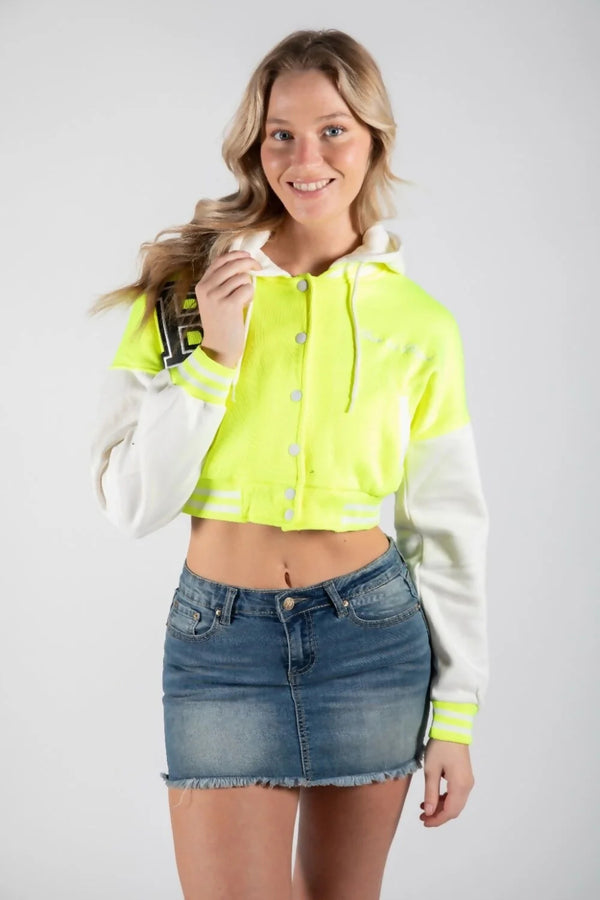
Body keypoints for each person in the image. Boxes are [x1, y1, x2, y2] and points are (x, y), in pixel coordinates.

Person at [89, 28, 489, 900]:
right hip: (220, 646)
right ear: (255, 145)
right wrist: (213, 362)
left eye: (333, 130)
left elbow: (447, 527)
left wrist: (455, 718)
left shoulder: (422, 326)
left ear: (374, 140)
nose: (307, 159)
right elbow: (129, 504)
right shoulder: (185, 293)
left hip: (372, 642)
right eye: (282, 134)